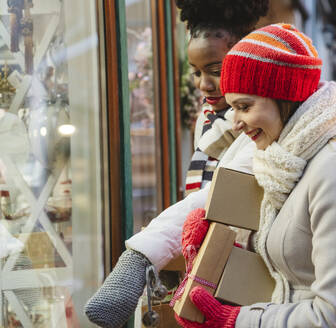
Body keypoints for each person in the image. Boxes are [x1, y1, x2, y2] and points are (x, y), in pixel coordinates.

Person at [175, 23, 336, 328]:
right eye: (232, 108)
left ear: (284, 96)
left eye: (244, 106)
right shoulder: (284, 162)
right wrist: (223, 247)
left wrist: (237, 321)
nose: (236, 123)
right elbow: (288, 271)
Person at [84, 1, 267, 327]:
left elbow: (218, 195)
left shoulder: (260, 126)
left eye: (215, 71)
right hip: (215, 267)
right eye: (195, 72)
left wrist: (141, 254)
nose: (203, 84)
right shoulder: (209, 119)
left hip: (247, 276)